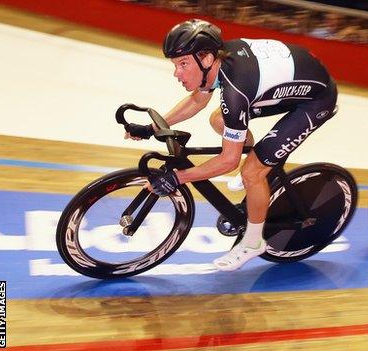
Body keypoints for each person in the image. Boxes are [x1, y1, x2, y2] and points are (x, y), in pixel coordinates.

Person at [125, 19, 338, 271]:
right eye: (175, 65)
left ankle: (253, 242)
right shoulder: (217, 62)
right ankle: (259, 166)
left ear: (206, 59)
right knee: (219, 119)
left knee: (251, 171)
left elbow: (228, 161)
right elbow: (197, 102)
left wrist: (179, 178)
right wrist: (151, 128)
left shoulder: (236, 89)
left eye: (183, 64)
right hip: (287, 82)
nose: (177, 73)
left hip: (315, 100)